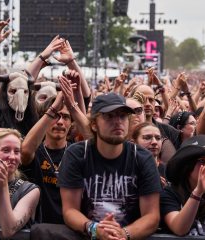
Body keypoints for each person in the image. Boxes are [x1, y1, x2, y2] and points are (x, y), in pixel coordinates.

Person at [58, 93, 161, 240]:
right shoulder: (78, 154)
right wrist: (95, 229)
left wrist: (123, 234)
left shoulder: (142, 158)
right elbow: (70, 210)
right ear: (94, 124)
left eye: (123, 116)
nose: (118, 122)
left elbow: (152, 216)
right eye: (109, 116)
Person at [21, 72, 90, 224]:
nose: (59, 122)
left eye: (65, 117)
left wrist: (73, 102)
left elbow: (95, 141)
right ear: (44, 120)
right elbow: (24, 151)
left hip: (73, 229)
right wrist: (53, 108)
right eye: (55, 116)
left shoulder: (76, 151)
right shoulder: (36, 151)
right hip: (41, 230)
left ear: (71, 123)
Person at [160, 135, 205, 237]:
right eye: (202, 161)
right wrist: (198, 192)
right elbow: (179, 229)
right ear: (187, 166)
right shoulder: (169, 193)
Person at [131, 122, 167, 187]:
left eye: (158, 138)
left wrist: (166, 190)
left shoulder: (168, 171)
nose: (154, 142)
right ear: (134, 143)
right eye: (147, 138)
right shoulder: (126, 170)